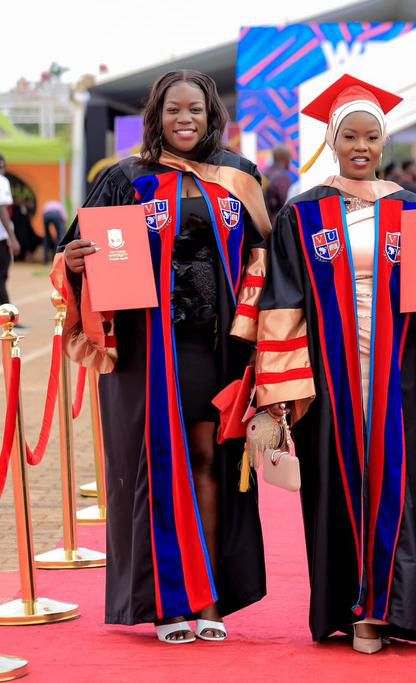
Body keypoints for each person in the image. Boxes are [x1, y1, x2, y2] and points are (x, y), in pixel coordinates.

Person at [254, 74, 416, 654]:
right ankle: (346, 607)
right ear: (331, 140)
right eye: (349, 136)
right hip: (329, 376)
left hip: (397, 373)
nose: (360, 147)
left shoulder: (413, 210)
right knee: (334, 483)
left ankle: (389, 609)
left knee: (399, 483)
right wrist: (282, 384)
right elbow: (282, 300)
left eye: (370, 138)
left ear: (383, 144)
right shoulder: (302, 214)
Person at [55, 70, 269, 644]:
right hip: (146, 350)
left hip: (216, 345)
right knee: (155, 468)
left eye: (195, 110)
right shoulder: (126, 177)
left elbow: (263, 261)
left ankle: (209, 600)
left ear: (211, 114)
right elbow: (75, 249)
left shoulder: (239, 177)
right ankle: (167, 602)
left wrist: (257, 340)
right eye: (173, 109)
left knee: (209, 461)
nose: (185, 119)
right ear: (156, 114)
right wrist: (74, 262)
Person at [0, 153, 20, 308]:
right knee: (1, 276)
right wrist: (12, 238)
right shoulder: (2, 181)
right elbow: (2, 209)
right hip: (0, 237)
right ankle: (7, 315)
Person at [263, 144, 295, 222]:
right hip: (277, 223)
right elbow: (286, 203)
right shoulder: (283, 177)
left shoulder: (265, 173)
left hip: (264, 221)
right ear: (285, 160)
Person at [42, 199, 67, 264]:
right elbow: (64, 218)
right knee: (60, 237)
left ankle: (45, 260)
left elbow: (43, 213)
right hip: (56, 214)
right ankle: (58, 258)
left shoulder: (47, 204)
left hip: (46, 215)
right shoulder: (60, 206)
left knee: (46, 237)